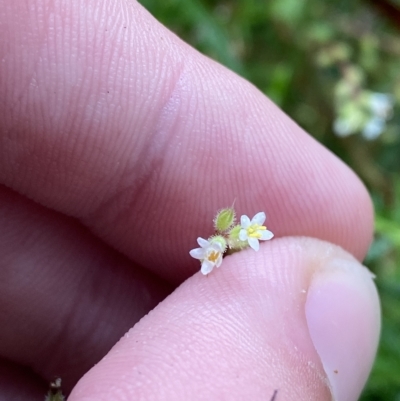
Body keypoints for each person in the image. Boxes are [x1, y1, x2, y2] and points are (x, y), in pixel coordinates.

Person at [0, 1, 380, 400]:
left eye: (247, 231)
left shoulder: (237, 237)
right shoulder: (225, 242)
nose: (245, 233)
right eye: (245, 231)